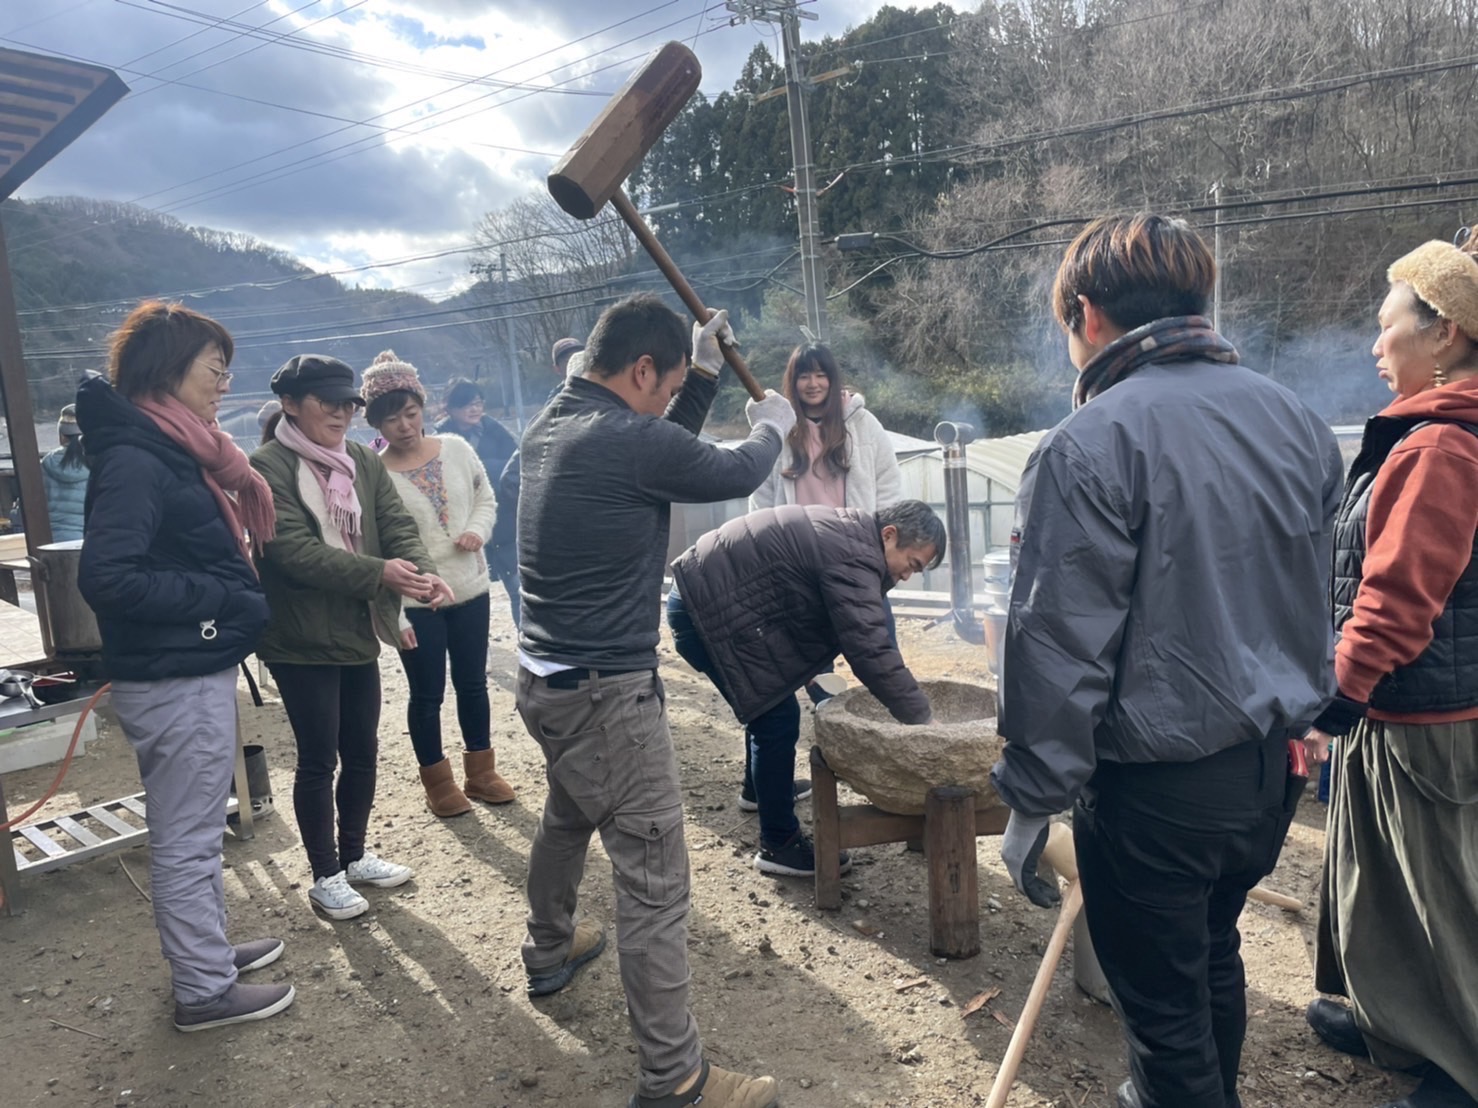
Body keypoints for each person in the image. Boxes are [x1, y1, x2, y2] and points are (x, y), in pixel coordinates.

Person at [989, 214, 1343, 1108]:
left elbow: (1056, 647)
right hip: (1271, 779)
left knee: (1164, 1016)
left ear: (1086, 313)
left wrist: (1031, 801)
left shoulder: (1091, 442)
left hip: (1156, 793)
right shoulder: (1296, 422)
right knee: (1211, 954)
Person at [516, 294, 791, 1108]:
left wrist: (700, 372)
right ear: (640, 370)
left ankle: (549, 947)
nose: (672, 403)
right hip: (605, 696)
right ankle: (676, 1082)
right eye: (667, 387)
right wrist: (770, 422)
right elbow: (734, 468)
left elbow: (660, 445)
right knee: (654, 883)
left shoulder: (553, 424)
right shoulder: (627, 440)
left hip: (548, 684)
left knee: (567, 820)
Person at [75, 300, 293, 1032]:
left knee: (198, 827)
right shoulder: (140, 457)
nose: (225, 382)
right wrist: (218, 599)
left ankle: (210, 955)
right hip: (172, 676)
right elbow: (108, 578)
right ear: (169, 370)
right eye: (214, 368)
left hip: (184, 668)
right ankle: (203, 991)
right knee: (187, 835)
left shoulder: (170, 445)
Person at [1302, 239, 1478, 1108]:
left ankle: (1461, 1068)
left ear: (1443, 335)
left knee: (1440, 902)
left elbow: (1400, 597)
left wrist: (1335, 697)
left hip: (1431, 721)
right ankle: (1402, 1029)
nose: (1376, 347)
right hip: (1425, 708)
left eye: (1388, 328)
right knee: (1395, 898)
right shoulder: (1441, 431)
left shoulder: (1442, 446)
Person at [251, 354, 454, 922]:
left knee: (362, 750)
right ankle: (324, 873)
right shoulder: (266, 466)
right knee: (319, 759)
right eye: (327, 402)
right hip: (301, 636)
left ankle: (355, 854)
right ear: (291, 404)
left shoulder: (360, 460)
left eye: (348, 403)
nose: (341, 413)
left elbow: (395, 525)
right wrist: (379, 573)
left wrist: (416, 570)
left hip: (357, 628)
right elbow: (289, 552)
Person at [667, 500, 941, 877]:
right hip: (704, 608)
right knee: (776, 718)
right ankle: (778, 844)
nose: (909, 576)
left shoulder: (853, 538)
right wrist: (922, 718)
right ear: (889, 535)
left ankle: (757, 791)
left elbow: (841, 618)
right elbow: (869, 648)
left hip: (713, 595)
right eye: (912, 564)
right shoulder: (854, 554)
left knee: (770, 700)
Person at [361, 350, 514, 818]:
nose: (405, 426)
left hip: (471, 586)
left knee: (473, 683)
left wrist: (479, 530)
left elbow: (486, 495)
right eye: (392, 419)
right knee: (426, 693)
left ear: (424, 408)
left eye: (411, 413)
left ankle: (481, 771)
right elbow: (371, 545)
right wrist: (393, 612)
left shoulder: (457, 448)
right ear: (377, 425)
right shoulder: (371, 473)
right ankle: (438, 780)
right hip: (416, 599)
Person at [487, 338, 585, 628]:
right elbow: (512, 477)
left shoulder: (491, 427)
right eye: (568, 361)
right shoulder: (553, 411)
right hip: (537, 531)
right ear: (557, 369)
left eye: (580, 358)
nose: (575, 366)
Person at [41, 404, 89, 542]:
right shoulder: (96, 462)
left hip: (50, 542)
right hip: (88, 541)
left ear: (62, 435)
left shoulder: (46, 463)